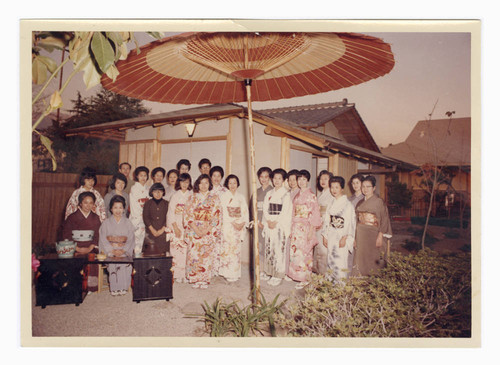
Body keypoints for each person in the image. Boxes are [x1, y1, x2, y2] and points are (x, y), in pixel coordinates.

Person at [184, 174, 222, 289]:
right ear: (197, 184)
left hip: (208, 230)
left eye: (206, 183)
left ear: (209, 184)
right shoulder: (192, 198)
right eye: (201, 183)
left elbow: (217, 216)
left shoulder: (215, 198)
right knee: (194, 255)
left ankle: (204, 279)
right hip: (194, 229)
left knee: (206, 256)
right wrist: (196, 229)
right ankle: (195, 278)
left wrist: (206, 229)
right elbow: (187, 215)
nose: (204, 185)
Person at [352, 176, 393, 277]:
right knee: (361, 257)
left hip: (373, 233)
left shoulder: (378, 202)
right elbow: (356, 221)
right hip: (361, 233)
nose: (365, 189)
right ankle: (361, 280)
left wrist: (380, 236)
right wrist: (355, 237)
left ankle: (375, 280)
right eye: (363, 186)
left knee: (374, 257)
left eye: (368, 187)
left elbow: (384, 219)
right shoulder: (360, 202)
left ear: (374, 188)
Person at [288, 169, 322, 289]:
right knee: (295, 252)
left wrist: (311, 231)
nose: (301, 182)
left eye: (304, 179)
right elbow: (293, 212)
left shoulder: (311, 195)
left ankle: (305, 278)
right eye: (299, 179)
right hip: (296, 227)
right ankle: (295, 274)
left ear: (308, 181)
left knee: (305, 253)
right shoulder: (297, 195)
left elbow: (315, 214)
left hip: (306, 227)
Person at [62, 191, 101, 292]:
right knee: (74, 262)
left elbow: (97, 235)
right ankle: (76, 286)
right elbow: (66, 235)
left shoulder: (96, 218)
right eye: (85, 202)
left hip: (90, 247)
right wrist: (77, 248)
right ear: (80, 203)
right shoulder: (72, 217)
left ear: (94, 204)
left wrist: (90, 247)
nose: (88, 205)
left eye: (91, 203)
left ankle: (91, 287)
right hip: (75, 246)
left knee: (92, 259)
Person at [321, 176, 356, 282]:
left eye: (337, 187)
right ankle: (330, 281)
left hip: (341, 235)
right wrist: (325, 235)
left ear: (342, 188)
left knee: (340, 260)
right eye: (332, 187)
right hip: (331, 233)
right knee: (331, 259)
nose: (334, 190)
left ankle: (340, 284)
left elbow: (350, 222)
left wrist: (345, 237)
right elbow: (327, 220)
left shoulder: (347, 204)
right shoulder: (331, 202)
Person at [98, 195, 135, 296]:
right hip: (111, 252)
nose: (118, 210)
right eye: (115, 207)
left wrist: (123, 250)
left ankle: (123, 287)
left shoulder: (128, 223)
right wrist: (111, 251)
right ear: (111, 209)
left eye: (120, 207)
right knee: (113, 262)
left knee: (124, 262)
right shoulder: (105, 223)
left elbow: (131, 239)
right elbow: (103, 239)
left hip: (124, 251)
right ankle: (114, 288)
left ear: (124, 209)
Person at [261, 168, 292, 286]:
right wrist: (268, 220)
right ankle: (269, 271)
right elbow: (265, 208)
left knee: (278, 249)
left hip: (279, 225)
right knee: (269, 248)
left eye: (279, 178)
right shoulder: (269, 193)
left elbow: (285, 211)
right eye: (275, 178)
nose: (277, 181)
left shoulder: (286, 194)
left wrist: (276, 222)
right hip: (269, 223)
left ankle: (278, 274)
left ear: (283, 180)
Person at [219, 174, 249, 282]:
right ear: (227, 184)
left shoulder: (241, 197)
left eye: (234, 183)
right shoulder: (223, 196)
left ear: (238, 184)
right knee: (227, 250)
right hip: (228, 226)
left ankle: (235, 272)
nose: (232, 185)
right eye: (230, 183)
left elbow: (245, 211)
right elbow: (222, 212)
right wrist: (233, 222)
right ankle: (227, 272)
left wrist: (242, 223)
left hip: (238, 226)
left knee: (236, 251)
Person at [166, 173, 193, 283]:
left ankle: (186, 274)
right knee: (176, 251)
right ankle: (177, 274)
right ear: (179, 183)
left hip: (188, 226)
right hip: (176, 224)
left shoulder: (191, 195)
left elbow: (193, 212)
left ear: (189, 183)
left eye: (187, 182)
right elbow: (171, 212)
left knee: (187, 251)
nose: (184, 184)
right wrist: (175, 228)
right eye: (182, 182)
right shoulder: (175, 196)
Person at [249, 166, 273, 281]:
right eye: (261, 177)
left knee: (267, 246)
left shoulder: (272, 192)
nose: (263, 179)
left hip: (267, 222)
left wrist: (264, 222)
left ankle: (267, 270)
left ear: (270, 178)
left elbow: (272, 211)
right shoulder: (256, 192)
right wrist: (255, 221)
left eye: (266, 177)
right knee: (257, 246)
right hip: (256, 221)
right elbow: (252, 208)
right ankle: (259, 268)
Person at [314, 170, 334, 275]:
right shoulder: (321, 194)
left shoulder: (331, 194)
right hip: (318, 225)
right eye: (321, 179)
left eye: (326, 179)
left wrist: (322, 223)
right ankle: (319, 273)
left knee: (324, 252)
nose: (323, 181)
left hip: (325, 226)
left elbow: (330, 213)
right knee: (318, 251)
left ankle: (325, 275)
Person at [142, 183, 170, 255]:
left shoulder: (167, 204)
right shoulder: (147, 203)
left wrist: (162, 230)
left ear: (163, 192)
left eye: (160, 191)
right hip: (150, 234)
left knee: (163, 257)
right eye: (155, 191)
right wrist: (152, 230)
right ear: (152, 192)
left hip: (163, 234)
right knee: (149, 257)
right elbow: (146, 217)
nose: (158, 193)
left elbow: (169, 217)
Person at [209, 166, 227, 275]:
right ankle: (209, 268)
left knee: (219, 245)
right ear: (210, 177)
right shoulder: (206, 189)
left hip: (221, 221)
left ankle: (218, 269)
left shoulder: (225, 191)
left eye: (218, 176)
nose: (216, 178)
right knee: (208, 244)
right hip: (208, 221)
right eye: (214, 176)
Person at [129, 166, 150, 255]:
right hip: (137, 219)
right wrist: (142, 215)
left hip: (146, 219)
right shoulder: (134, 188)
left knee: (143, 243)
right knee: (135, 243)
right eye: (141, 175)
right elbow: (134, 205)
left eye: (145, 175)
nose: (143, 178)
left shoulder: (148, 189)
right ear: (137, 176)